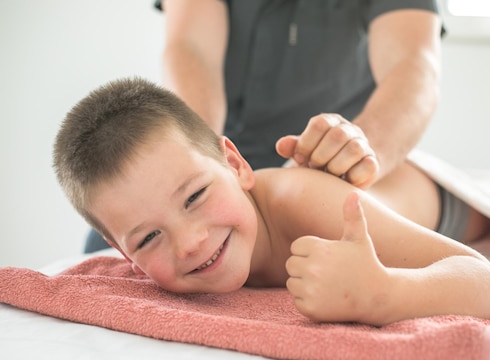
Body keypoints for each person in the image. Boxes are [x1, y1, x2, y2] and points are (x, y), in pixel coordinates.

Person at [54, 77, 490, 326]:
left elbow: (489, 287)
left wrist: (383, 294)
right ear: (122, 255)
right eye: (149, 237)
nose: (190, 242)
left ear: (236, 166)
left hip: (446, 204)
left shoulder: (306, 204)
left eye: (195, 195)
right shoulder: (171, 263)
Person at [84, 0, 445, 252]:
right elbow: (190, 48)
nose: (191, 245)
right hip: (215, 162)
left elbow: (414, 66)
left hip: (327, 167)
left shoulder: (322, 195)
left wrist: (357, 152)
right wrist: (197, 165)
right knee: (99, 257)